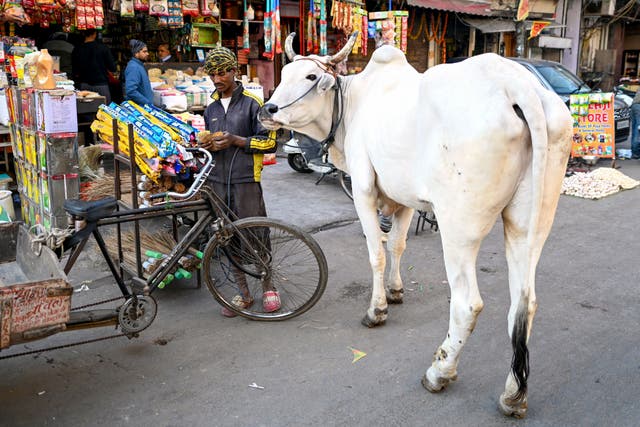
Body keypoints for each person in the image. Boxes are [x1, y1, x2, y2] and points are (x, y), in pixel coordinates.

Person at [198, 46, 278, 317]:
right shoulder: (210, 109)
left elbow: (269, 141)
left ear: (234, 71)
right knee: (227, 236)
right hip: (218, 181)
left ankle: (269, 286)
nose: (217, 79)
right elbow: (209, 141)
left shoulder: (252, 105)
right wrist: (206, 144)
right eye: (213, 74)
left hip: (246, 178)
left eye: (222, 72)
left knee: (256, 233)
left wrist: (236, 140)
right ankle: (244, 293)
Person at [71, 29, 116, 104]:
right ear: (95, 34)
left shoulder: (77, 49)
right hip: (101, 85)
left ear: (83, 34)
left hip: (84, 86)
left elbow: (74, 69)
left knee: (86, 111)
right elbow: (112, 67)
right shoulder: (103, 48)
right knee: (104, 111)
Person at [124, 39, 153, 106]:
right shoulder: (134, 67)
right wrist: (147, 102)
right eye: (144, 52)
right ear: (136, 53)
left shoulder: (139, 65)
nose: (147, 54)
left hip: (144, 107)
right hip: (140, 108)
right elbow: (131, 91)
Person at [631, 91, 640, 159]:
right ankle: (636, 152)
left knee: (635, 130)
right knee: (638, 131)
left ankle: (634, 152)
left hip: (634, 105)